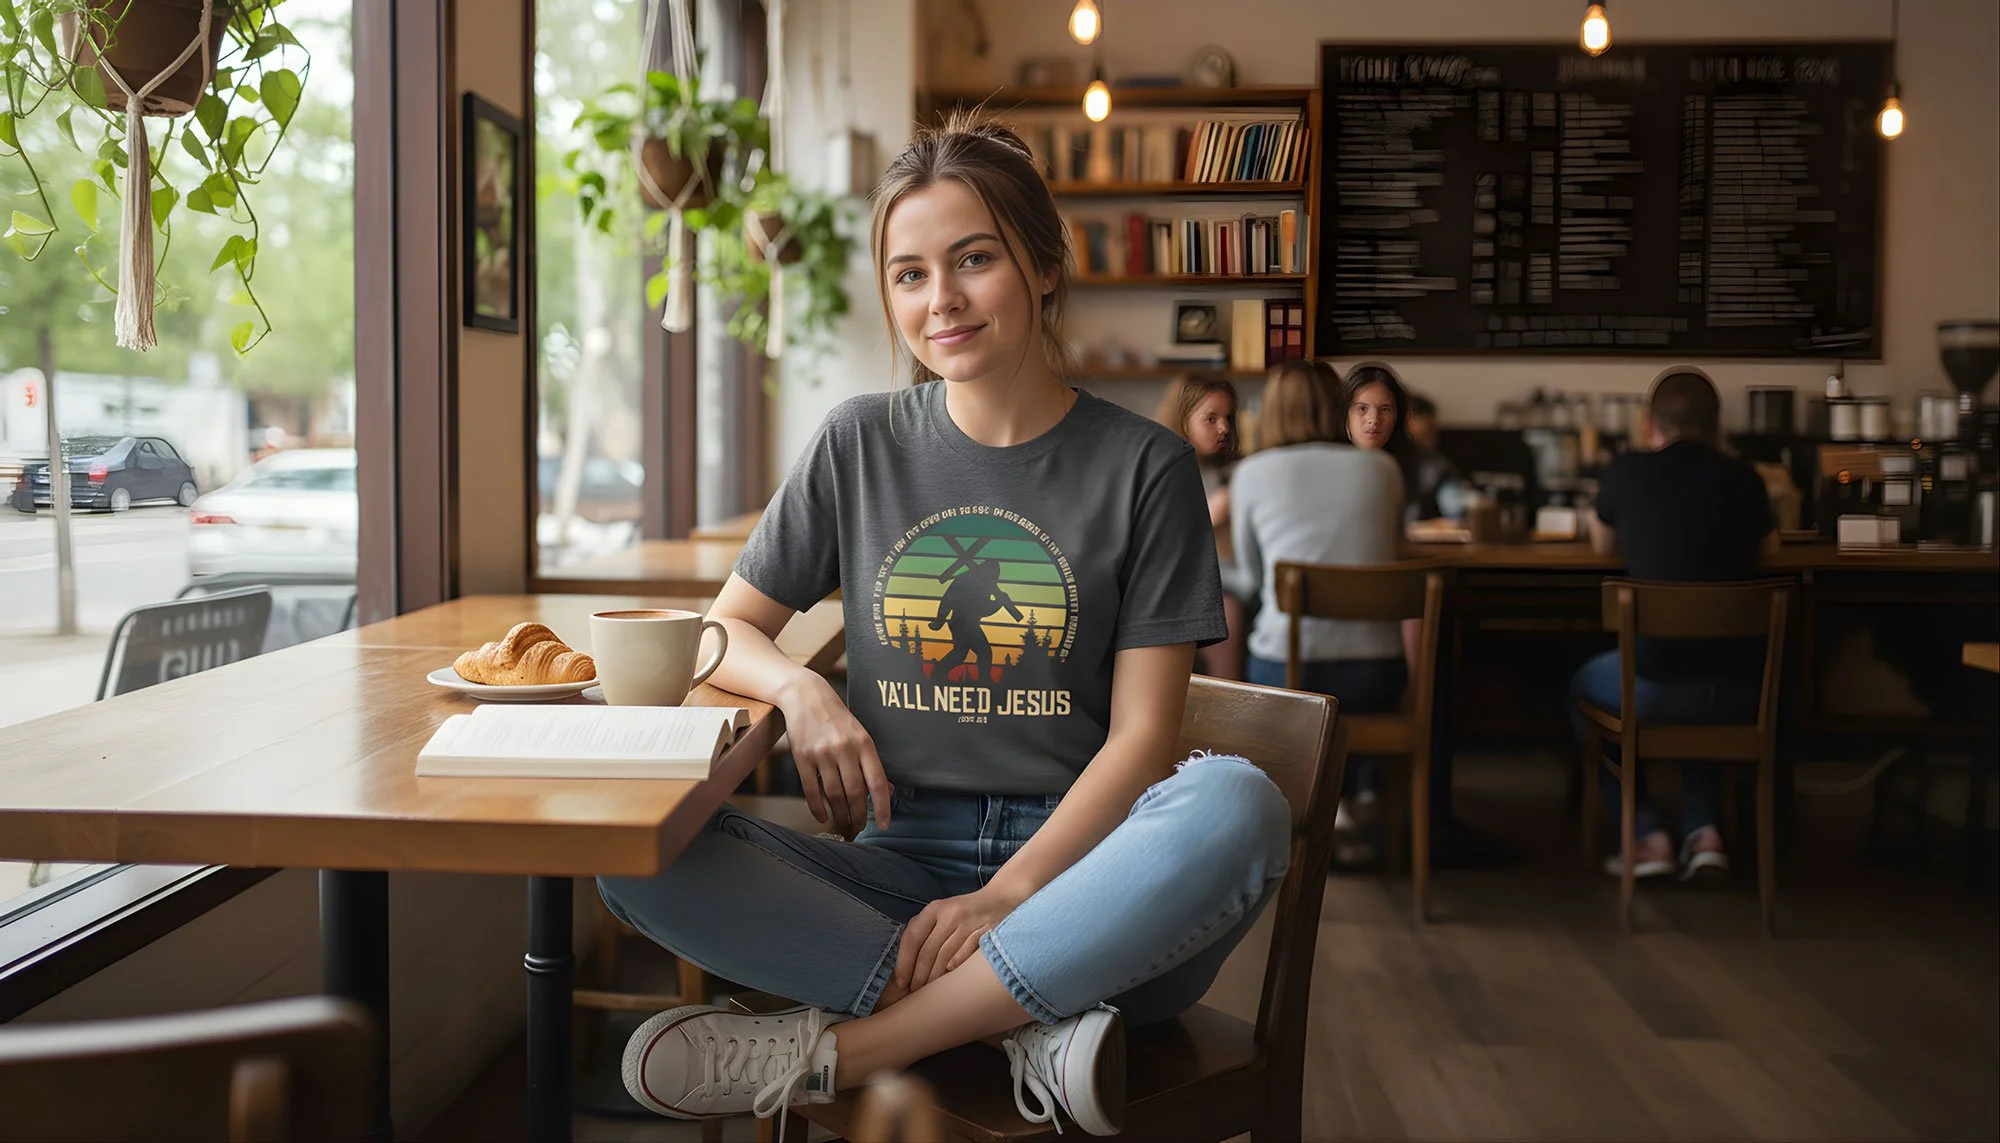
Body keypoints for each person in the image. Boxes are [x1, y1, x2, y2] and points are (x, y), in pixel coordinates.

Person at [597, 112, 1292, 1137]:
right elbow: (724, 634)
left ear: (1045, 266)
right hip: (893, 880)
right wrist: (802, 688)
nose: (941, 301)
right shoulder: (856, 444)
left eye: (974, 260)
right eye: (909, 274)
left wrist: (1011, 895)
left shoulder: (1145, 466)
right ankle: (1032, 1027)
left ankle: (850, 1049)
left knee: (1237, 802)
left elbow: (1146, 737)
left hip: (1093, 880)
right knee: (629, 847)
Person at [1572, 367, 1777, 882]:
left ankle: (1646, 835)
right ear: (1717, 423)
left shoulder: (1625, 471)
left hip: (1653, 685)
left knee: (1584, 686)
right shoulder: (1745, 477)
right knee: (1702, 671)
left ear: (1649, 424)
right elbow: (1771, 549)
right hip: (1741, 692)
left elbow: (1601, 546)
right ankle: (1704, 833)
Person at [1232, 359, 1405, 862]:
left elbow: (1254, 579)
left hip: (1289, 674)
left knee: (1257, 641)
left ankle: (1286, 818)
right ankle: (1354, 801)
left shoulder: (1252, 472)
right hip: (1377, 674)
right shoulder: (1383, 468)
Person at [1155, 372, 1246, 678]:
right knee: (1226, 611)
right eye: (1211, 419)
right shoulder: (1161, 471)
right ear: (1182, 418)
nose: (1224, 428)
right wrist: (1212, 514)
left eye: (1228, 418)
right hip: (1191, 583)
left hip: (1237, 576)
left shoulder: (1237, 470)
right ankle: (1225, 702)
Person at [1342, 363, 1468, 523]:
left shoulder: (1430, 467)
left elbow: (1460, 516)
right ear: (1345, 413)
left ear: (1398, 417)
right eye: (1362, 408)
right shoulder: (1323, 464)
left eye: (1385, 409)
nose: (1373, 420)